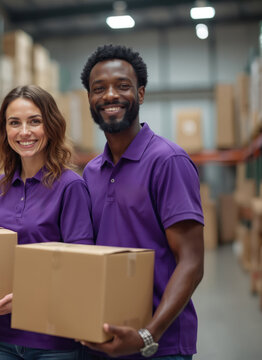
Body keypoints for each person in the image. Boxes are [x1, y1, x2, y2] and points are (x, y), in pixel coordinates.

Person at [79, 44, 204, 359]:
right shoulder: (91, 172)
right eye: (99, 89)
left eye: (123, 86)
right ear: (90, 99)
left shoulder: (168, 161)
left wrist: (148, 335)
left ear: (142, 94)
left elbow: (192, 261)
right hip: (104, 340)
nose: (110, 95)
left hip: (160, 346)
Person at [0, 85, 94, 360]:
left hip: (55, 340)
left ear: (51, 126)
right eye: (14, 123)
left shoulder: (70, 186)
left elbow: (81, 263)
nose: (24, 132)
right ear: (5, 131)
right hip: (6, 339)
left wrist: (25, 297)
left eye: (35, 121)